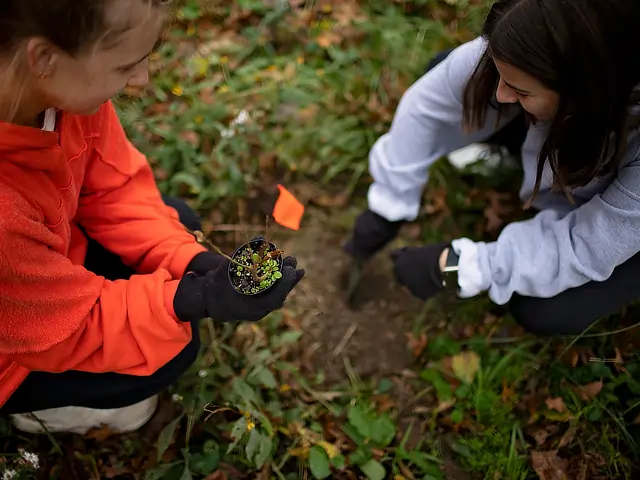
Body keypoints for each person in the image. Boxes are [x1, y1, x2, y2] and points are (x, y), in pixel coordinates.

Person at [0, 0, 304, 435]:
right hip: (20, 346)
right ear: (44, 57)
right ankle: (43, 408)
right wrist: (191, 299)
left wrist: (198, 266)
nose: (141, 80)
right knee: (172, 351)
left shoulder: (52, 92)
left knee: (179, 222)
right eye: (126, 66)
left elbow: (114, 190)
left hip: (45, 272)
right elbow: (67, 329)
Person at [344, 0, 640, 336]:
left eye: (520, 90)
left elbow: (587, 245)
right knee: (458, 72)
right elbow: (426, 107)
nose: (500, 94)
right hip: (572, 119)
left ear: (585, 91)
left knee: (545, 310)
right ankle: (529, 154)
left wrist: (459, 266)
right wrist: (389, 202)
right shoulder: (542, 29)